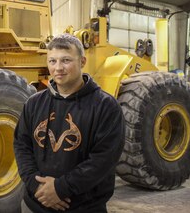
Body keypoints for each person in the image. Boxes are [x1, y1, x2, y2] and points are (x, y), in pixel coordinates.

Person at [14, 33, 125, 212]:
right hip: (34, 204)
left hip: (83, 207)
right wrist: (38, 187)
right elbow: (22, 146)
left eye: (66, 60)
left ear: (82, 61)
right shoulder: (34, 103)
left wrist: (60, 188)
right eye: (52, 61)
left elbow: (103, 159)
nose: (58, 68)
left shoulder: (105, 106)